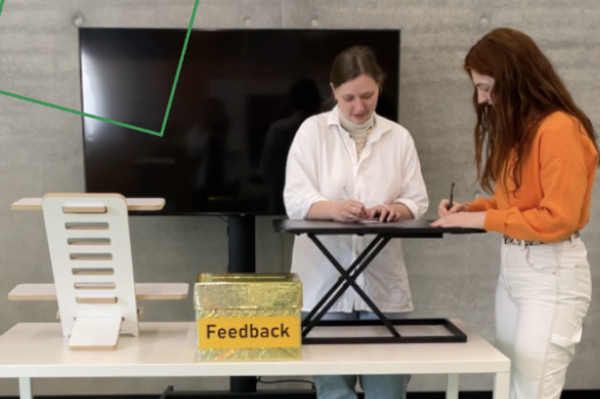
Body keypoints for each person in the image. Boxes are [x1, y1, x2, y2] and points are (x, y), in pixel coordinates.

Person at [432, 28, 599, 399]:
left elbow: (558, 218)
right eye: (478, 88)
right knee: (509, 388)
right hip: (516, 271)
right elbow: (516, 205)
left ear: (517, 78)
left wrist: (481, 220)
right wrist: (471, 208)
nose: (483, 99)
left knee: (531, 393)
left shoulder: (560, 129)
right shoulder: (523, 129)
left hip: (551, 275)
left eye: (488, 87)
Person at [284, 45, 428, 399]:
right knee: (333, 391)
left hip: (382, 283)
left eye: (368, 95)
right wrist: (336, 209)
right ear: (333, 90)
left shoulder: (399, 137)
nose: (359, 106)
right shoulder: (311, 132)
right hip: (324, 284)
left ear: (380, 85)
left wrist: (396, 209)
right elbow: (295, 200)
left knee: (389, 388)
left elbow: (418, 200)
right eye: (349, 97)